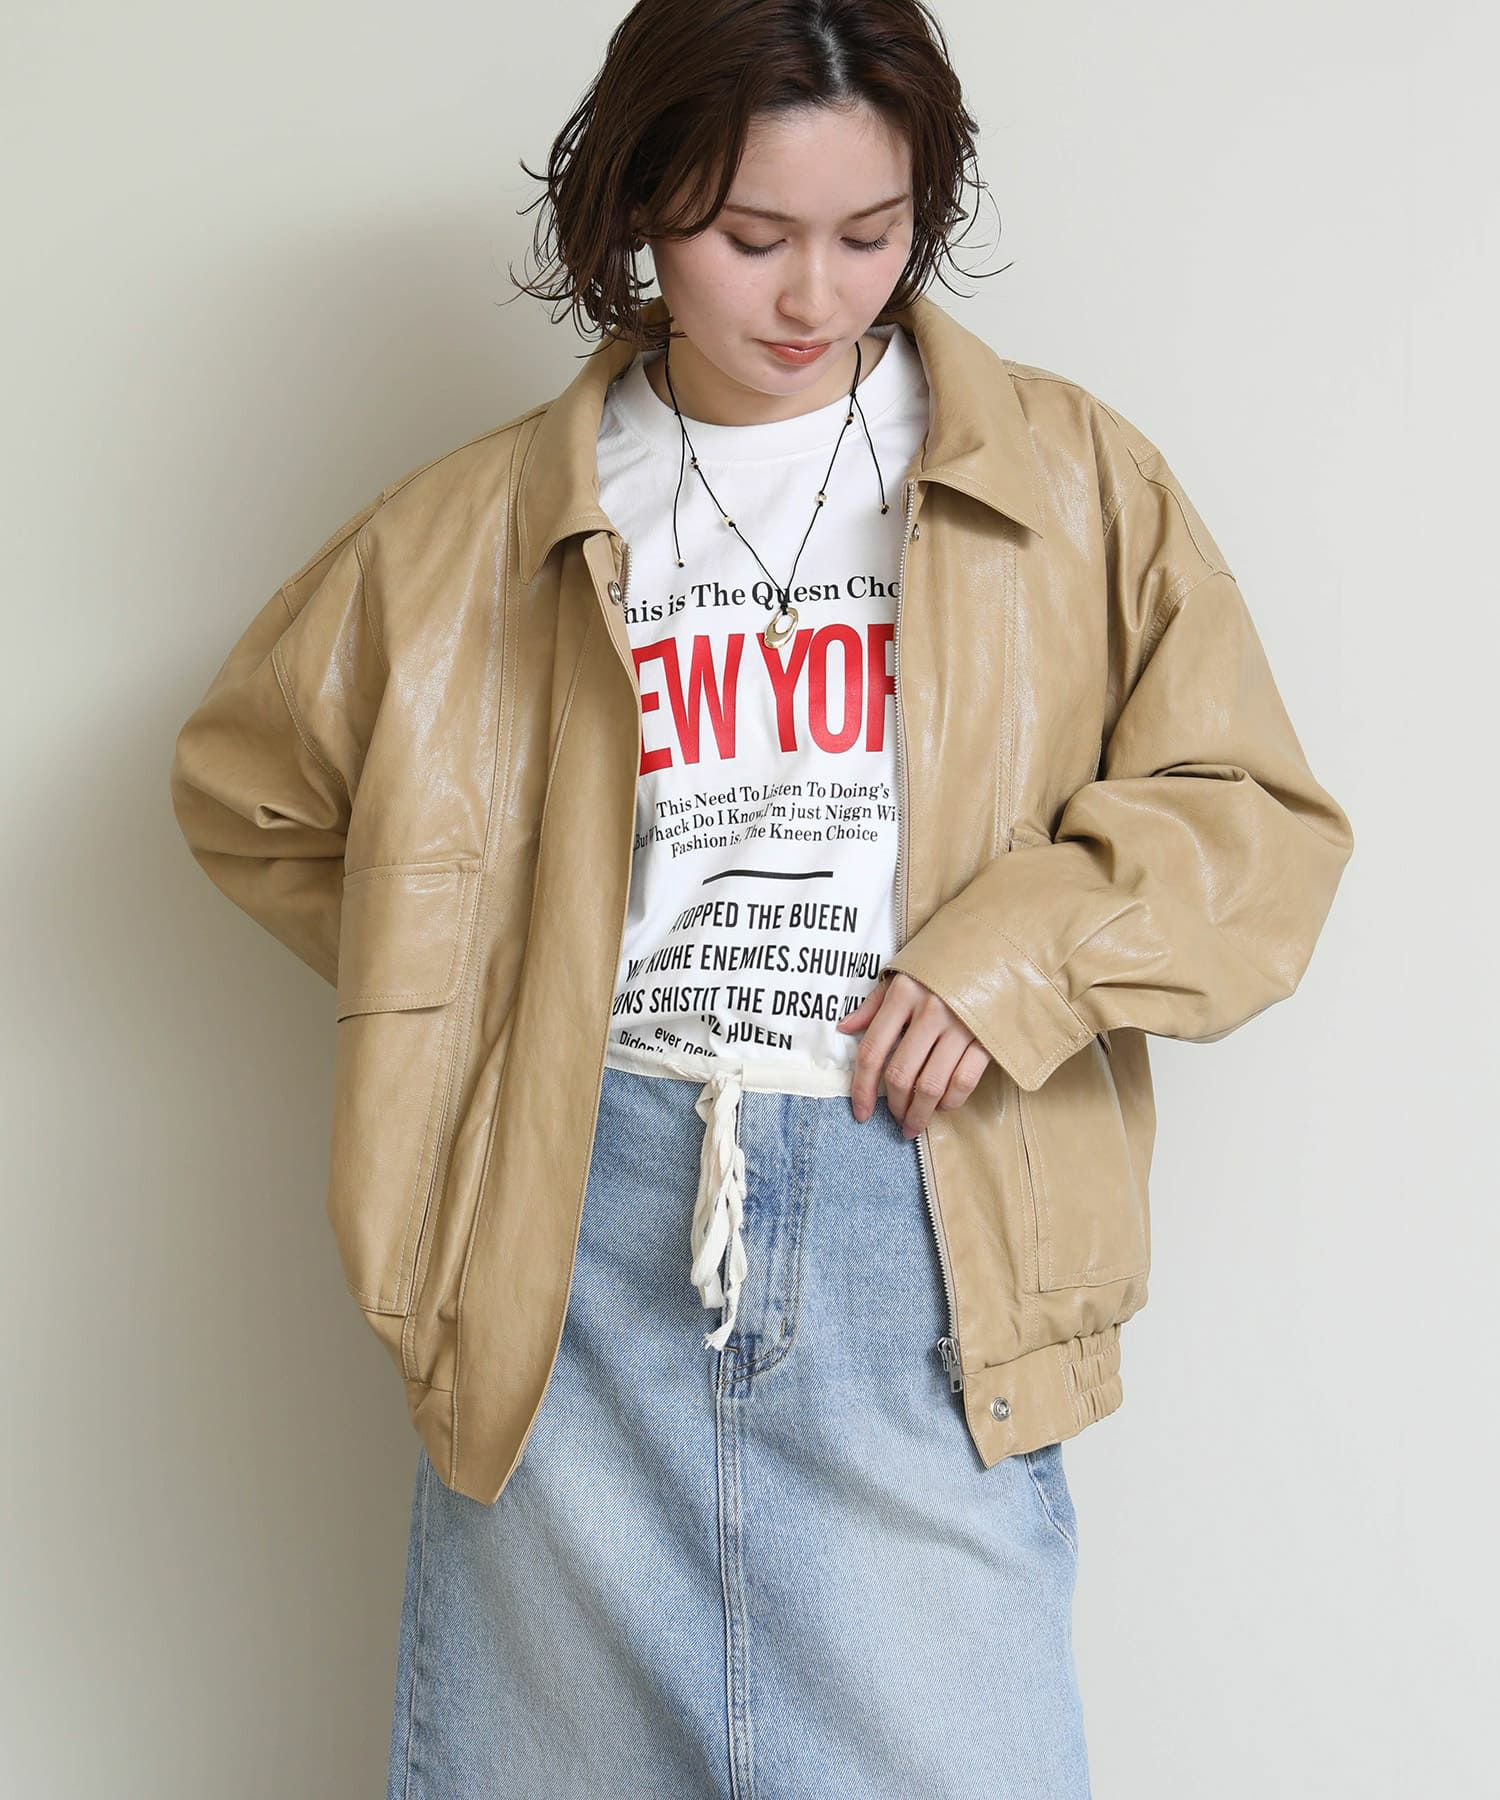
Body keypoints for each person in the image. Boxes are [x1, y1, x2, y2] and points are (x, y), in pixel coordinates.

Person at [168, 2, 1354, 1794]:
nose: (816, 296)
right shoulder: (469, 531)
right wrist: (500, 997)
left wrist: (1014, 962)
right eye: (751, 236)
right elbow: (252, 791)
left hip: (922, 1221)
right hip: (573, 1232)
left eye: (872, 234)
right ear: (640, 206)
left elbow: (1255, 822)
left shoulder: (1072, 485)